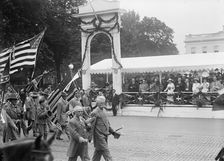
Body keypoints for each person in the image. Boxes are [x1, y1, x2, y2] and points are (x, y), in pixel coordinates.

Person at [88, 96, 120, 161]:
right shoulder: (94, 112)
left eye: (103, 103)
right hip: (99, 137)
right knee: (106, 153)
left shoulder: (104, 111)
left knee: (98, 153)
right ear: (97, 103)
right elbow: (91, 126)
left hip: (105, 135)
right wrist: (90, 137)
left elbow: (107, 124)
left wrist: (113, 132)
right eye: (101, 103)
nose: (103, 104)